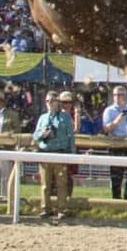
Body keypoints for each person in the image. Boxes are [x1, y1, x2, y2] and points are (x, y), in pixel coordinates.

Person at [30, 89, 78, 218]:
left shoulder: (65, 117)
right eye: (48, 101)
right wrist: (42, 134)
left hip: (60, 154)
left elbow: (70, 137)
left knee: (61, 184)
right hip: (45, 153)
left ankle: (62, 209)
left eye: (52, 101)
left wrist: (72, 154)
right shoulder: (42, 118)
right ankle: (46, 208)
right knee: (45, 184)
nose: (50, 103)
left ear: (57, 102)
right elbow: (35, 136)